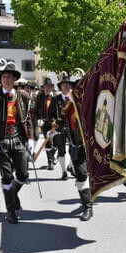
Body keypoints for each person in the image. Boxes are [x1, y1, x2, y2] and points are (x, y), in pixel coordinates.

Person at [0, 64, 33, 224]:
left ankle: (12, 194)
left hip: (18, 139)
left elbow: (28, 119)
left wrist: (31, 138)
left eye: (9, 77)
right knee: (6, 177)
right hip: (1, 140)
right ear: (0, 80)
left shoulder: (22, 96)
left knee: (23, 175)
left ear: (14, 79)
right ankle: (10, 211)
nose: (6, 79)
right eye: (4, 77)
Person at [50, 81, 93, 221]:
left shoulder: (92, 102)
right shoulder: (69, 104)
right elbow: (60, 120)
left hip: (93, 145)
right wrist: (51, 131)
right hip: (77, 145)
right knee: (81, 175)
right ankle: (87, 206)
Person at [50, 74, 73, 180]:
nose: (66, 87)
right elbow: (50, 114)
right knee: (61, 150)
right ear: (61, 87)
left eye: (68, 85)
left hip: (73, 128)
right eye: (64, 85)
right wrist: (53, 121)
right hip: (60, 128)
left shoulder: (74, 99)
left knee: (75, 150)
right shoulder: (55, 99)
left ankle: (70, 166)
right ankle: (64, 171)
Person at [34, 78, 56, 170]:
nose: (47, 88)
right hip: (45, 123)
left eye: (49, 87)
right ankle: (50, 162)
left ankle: (53, 155)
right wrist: (38, 119)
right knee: (47, 142)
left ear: (51, 87)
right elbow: (35, 111)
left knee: (56, 142)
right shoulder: (40, 97)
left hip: (55, 123)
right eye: (45, 87)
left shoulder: (56, 97)